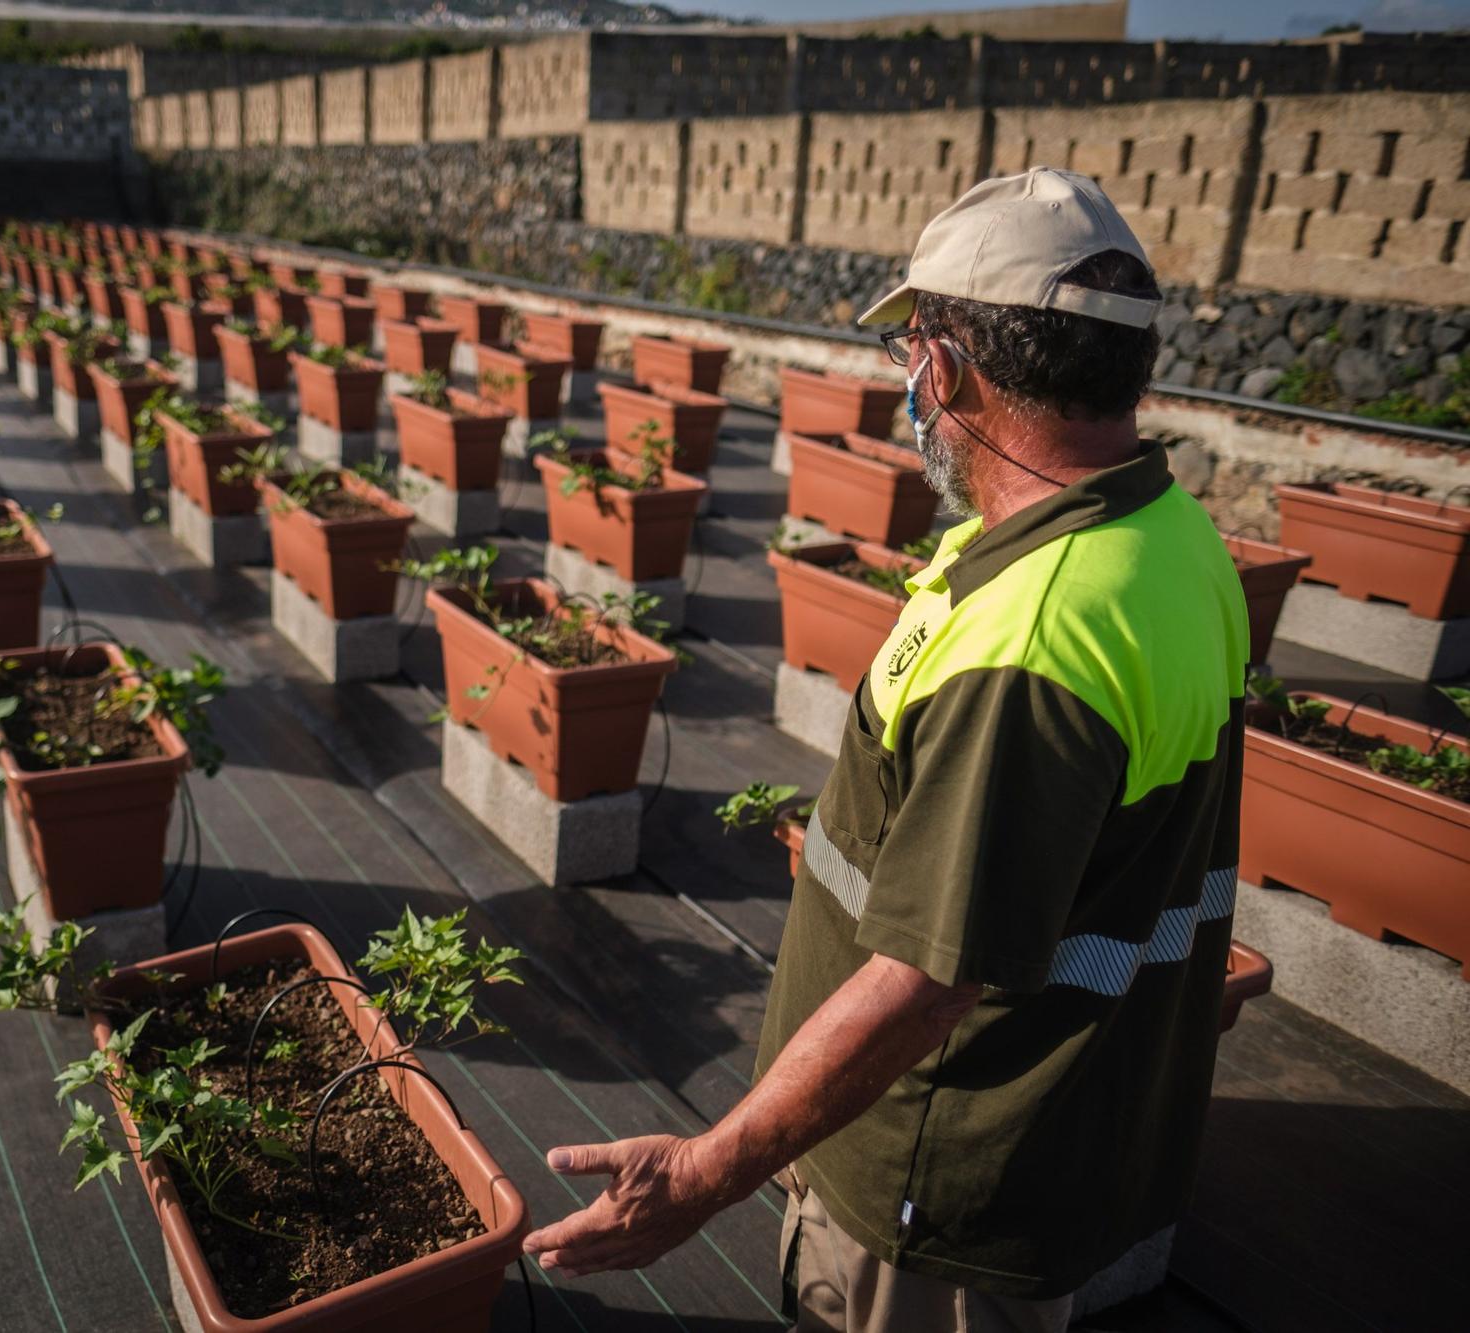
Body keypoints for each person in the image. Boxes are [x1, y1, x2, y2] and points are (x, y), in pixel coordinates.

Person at [520, 167, 1250, 1332]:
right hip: (1049, 1139)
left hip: (934, 1181)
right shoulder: (1170, 538)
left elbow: (924, 984)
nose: (906, 377)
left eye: (911, 345)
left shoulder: (1038, 635)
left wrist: (705, 1175)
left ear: (949, 368)